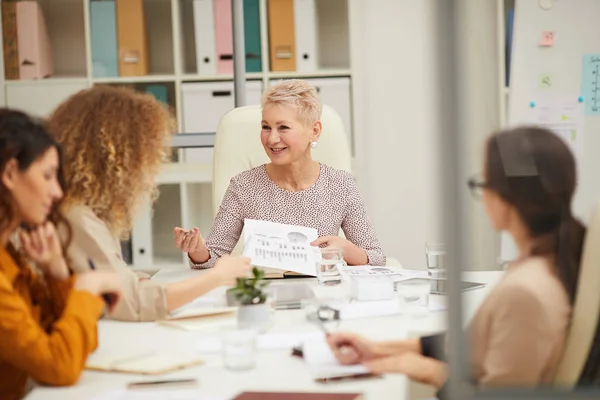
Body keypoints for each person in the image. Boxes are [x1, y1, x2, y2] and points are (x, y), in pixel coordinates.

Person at [326, 127, 586, 396]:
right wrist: (379, 348)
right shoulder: (543, 261)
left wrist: (415, 366)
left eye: (483, 183)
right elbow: (474, 344)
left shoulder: (525, 292)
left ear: (508, 196)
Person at [47, 85, 251, 322]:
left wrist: (138, 281)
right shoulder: (77, 217)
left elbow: (113, 278)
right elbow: (132, 304)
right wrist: (215, 277)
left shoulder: (88, 212)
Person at [174, 79, 386, 268]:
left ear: (315, 130)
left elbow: (376, 257)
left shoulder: (341, 184)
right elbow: (214, 257)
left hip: (322, 296)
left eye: (283, 127)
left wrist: (347, 250)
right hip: (265, 298)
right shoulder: (243, 186)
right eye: (266, 127)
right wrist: (197, 248)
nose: (272, 139)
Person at [0, 109, 123, 400]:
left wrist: (57, 272)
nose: (58, 192)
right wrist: (87, 285)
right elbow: (60, 366)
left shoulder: (11, 258)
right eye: (47, 176)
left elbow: (76, 344)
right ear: (9, 174)